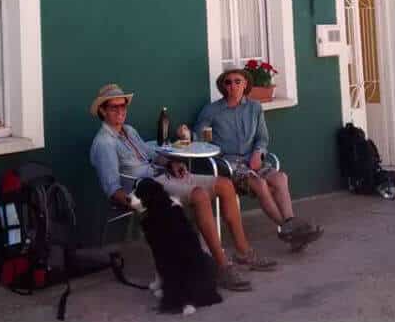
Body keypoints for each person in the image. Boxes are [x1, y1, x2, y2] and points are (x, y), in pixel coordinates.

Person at [89, 84, 276, 292]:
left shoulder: (129, 131)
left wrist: (170, 163)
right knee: (199, 195)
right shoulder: (104, 143)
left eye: (123, 106)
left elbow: (151, 155)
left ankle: (243, 252)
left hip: (165, 176)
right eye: (114, 108)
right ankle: (222, 266)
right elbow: (112, 188)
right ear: (103, 111)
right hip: (148, 189)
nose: (120, 111)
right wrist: (137, 204)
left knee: (224, 185)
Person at [193, 69, 323, 250]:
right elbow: (199, 137)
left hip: (252, 159)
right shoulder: (212, 110)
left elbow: (262, 137)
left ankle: (291, 227)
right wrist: (189, 135)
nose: (233, 86)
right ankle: (291, 229)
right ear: (223, 87)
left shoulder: (254, 108)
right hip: (229, 164)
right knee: (260, 184)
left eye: (238, 82)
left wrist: (259, 152)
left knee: (280, 178)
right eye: (228, 82)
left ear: (245, 84)